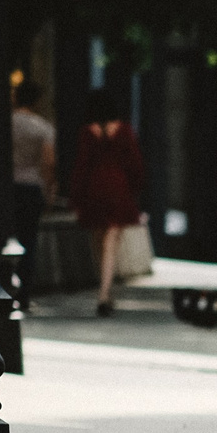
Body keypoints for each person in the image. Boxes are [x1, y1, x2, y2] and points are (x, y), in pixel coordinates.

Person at [67, 88, 143, 317]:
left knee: (99, 242)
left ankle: (105, 291)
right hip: (117, 187)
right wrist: (136, 189)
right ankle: (104, 293)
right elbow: (135, 163)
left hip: (94, 188)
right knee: (111, 242)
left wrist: (76, 196)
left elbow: (81, 165)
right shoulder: (124, 130)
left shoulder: (87, 132)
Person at [7, 81, 57, 298]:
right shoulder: (42, 127)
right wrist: (49, 189)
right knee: (29, 241)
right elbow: (48, 162)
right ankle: (24, 291)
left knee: (5, 238)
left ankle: (6, 284)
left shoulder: (6, 124)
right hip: (31, 186)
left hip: (8, 188)